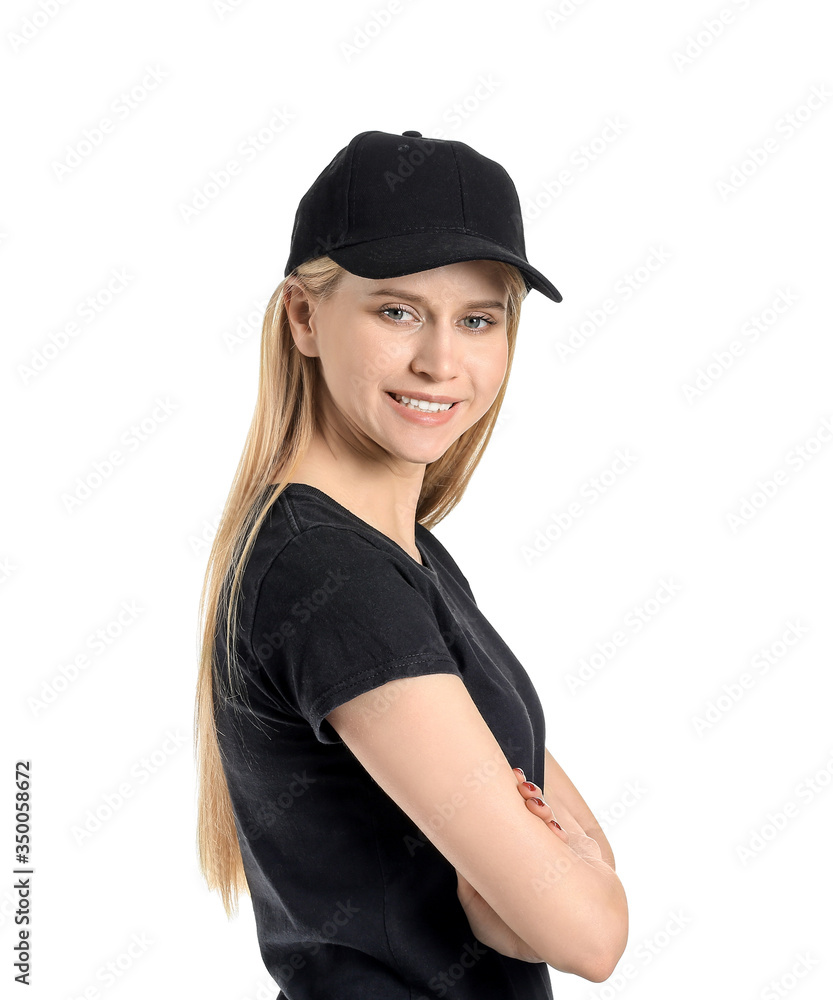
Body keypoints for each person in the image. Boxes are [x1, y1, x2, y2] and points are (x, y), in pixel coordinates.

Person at [194, 129, 628, 999]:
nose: (440, 361)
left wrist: (544, 872)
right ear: (304, 317)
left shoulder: (404, 553)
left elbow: (527, 906)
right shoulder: (333, 578)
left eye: (478, 319)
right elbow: (586, 933)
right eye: (397, 311)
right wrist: (559, 868)